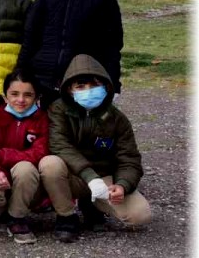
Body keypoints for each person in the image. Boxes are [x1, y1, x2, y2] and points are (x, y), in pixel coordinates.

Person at [41, 54, 150, 243]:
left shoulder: (117, 119)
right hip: (72, 176)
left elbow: (129, 159)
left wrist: (122, 185)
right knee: (50, 164)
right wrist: (89, 177)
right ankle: (66, 216)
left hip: (104, 178)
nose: (88, 91)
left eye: (94, 85)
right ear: (69, 89)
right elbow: (59, 145)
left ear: (106, 87)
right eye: (80, 86)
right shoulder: (57, 110)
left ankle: (91, 205)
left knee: (140, 215)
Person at [20, 0, 124, 104]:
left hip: (82, 83)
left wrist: (113, 84)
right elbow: (30, 39)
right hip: (43, 82)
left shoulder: (104, 0)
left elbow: (111, 48)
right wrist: (21, 73)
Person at [0, 69, 50, 245]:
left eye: (28, 95)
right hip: (1, 174)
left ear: (37, 97)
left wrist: (1, 155)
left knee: (25, 167)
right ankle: (4, 213)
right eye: (14, 94)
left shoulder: (41, 119)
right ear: (5, 96)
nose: (21, 100)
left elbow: (39, 154)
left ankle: (17, 217)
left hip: (29, 181)